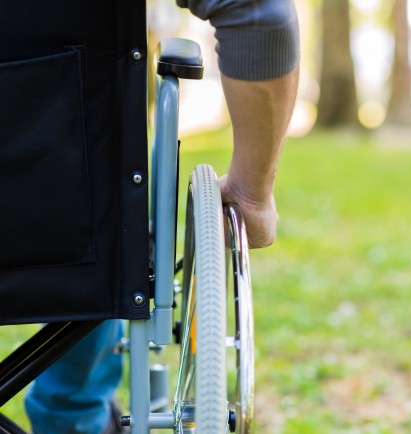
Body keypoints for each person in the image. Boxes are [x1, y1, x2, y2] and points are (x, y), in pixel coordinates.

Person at [24, 0, 300, 432]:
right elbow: (260, 13)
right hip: (66, 224)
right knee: (85, 213)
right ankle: (70, 416)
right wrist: (253, 194)